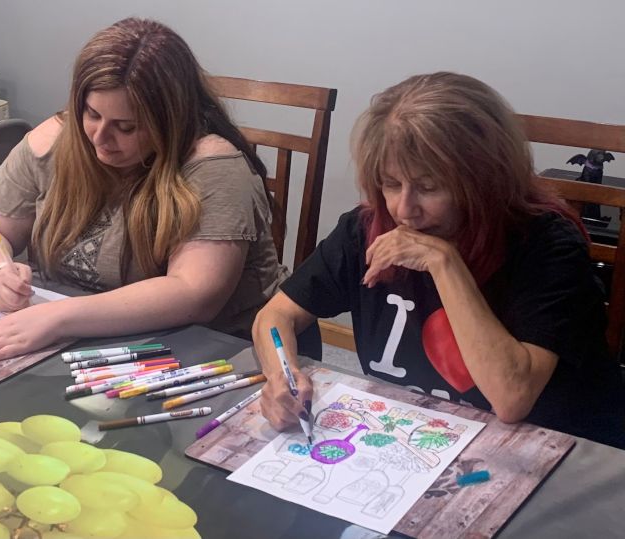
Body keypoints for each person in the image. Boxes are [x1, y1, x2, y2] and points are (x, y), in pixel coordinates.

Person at [253, 72, 625, 448]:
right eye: (390, 183)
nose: (403, 209)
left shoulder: (547, 244)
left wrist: (445, 264)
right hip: (427, 437)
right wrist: (281, 376)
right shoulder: (365, 229)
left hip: (560, 448)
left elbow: (512, 397)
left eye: (429, 187)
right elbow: (275, 316)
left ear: (484, 179)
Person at [0, 18, 287, 363]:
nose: (99, 138)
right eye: (91, 114)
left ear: (170, 121)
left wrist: (59, 317)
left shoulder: (213, 167)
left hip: (215, 350)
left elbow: (194, 294)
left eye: (126, 127)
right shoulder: (56, 140)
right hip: (91, 337)